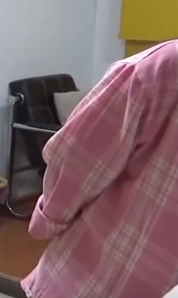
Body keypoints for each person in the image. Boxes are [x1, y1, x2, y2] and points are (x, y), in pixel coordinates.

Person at [23, 40, 178, 298]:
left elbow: (75, 161)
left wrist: (49, 219)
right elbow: (75, 159)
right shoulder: (156, 72)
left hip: (101, 279)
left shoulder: (156, 70)